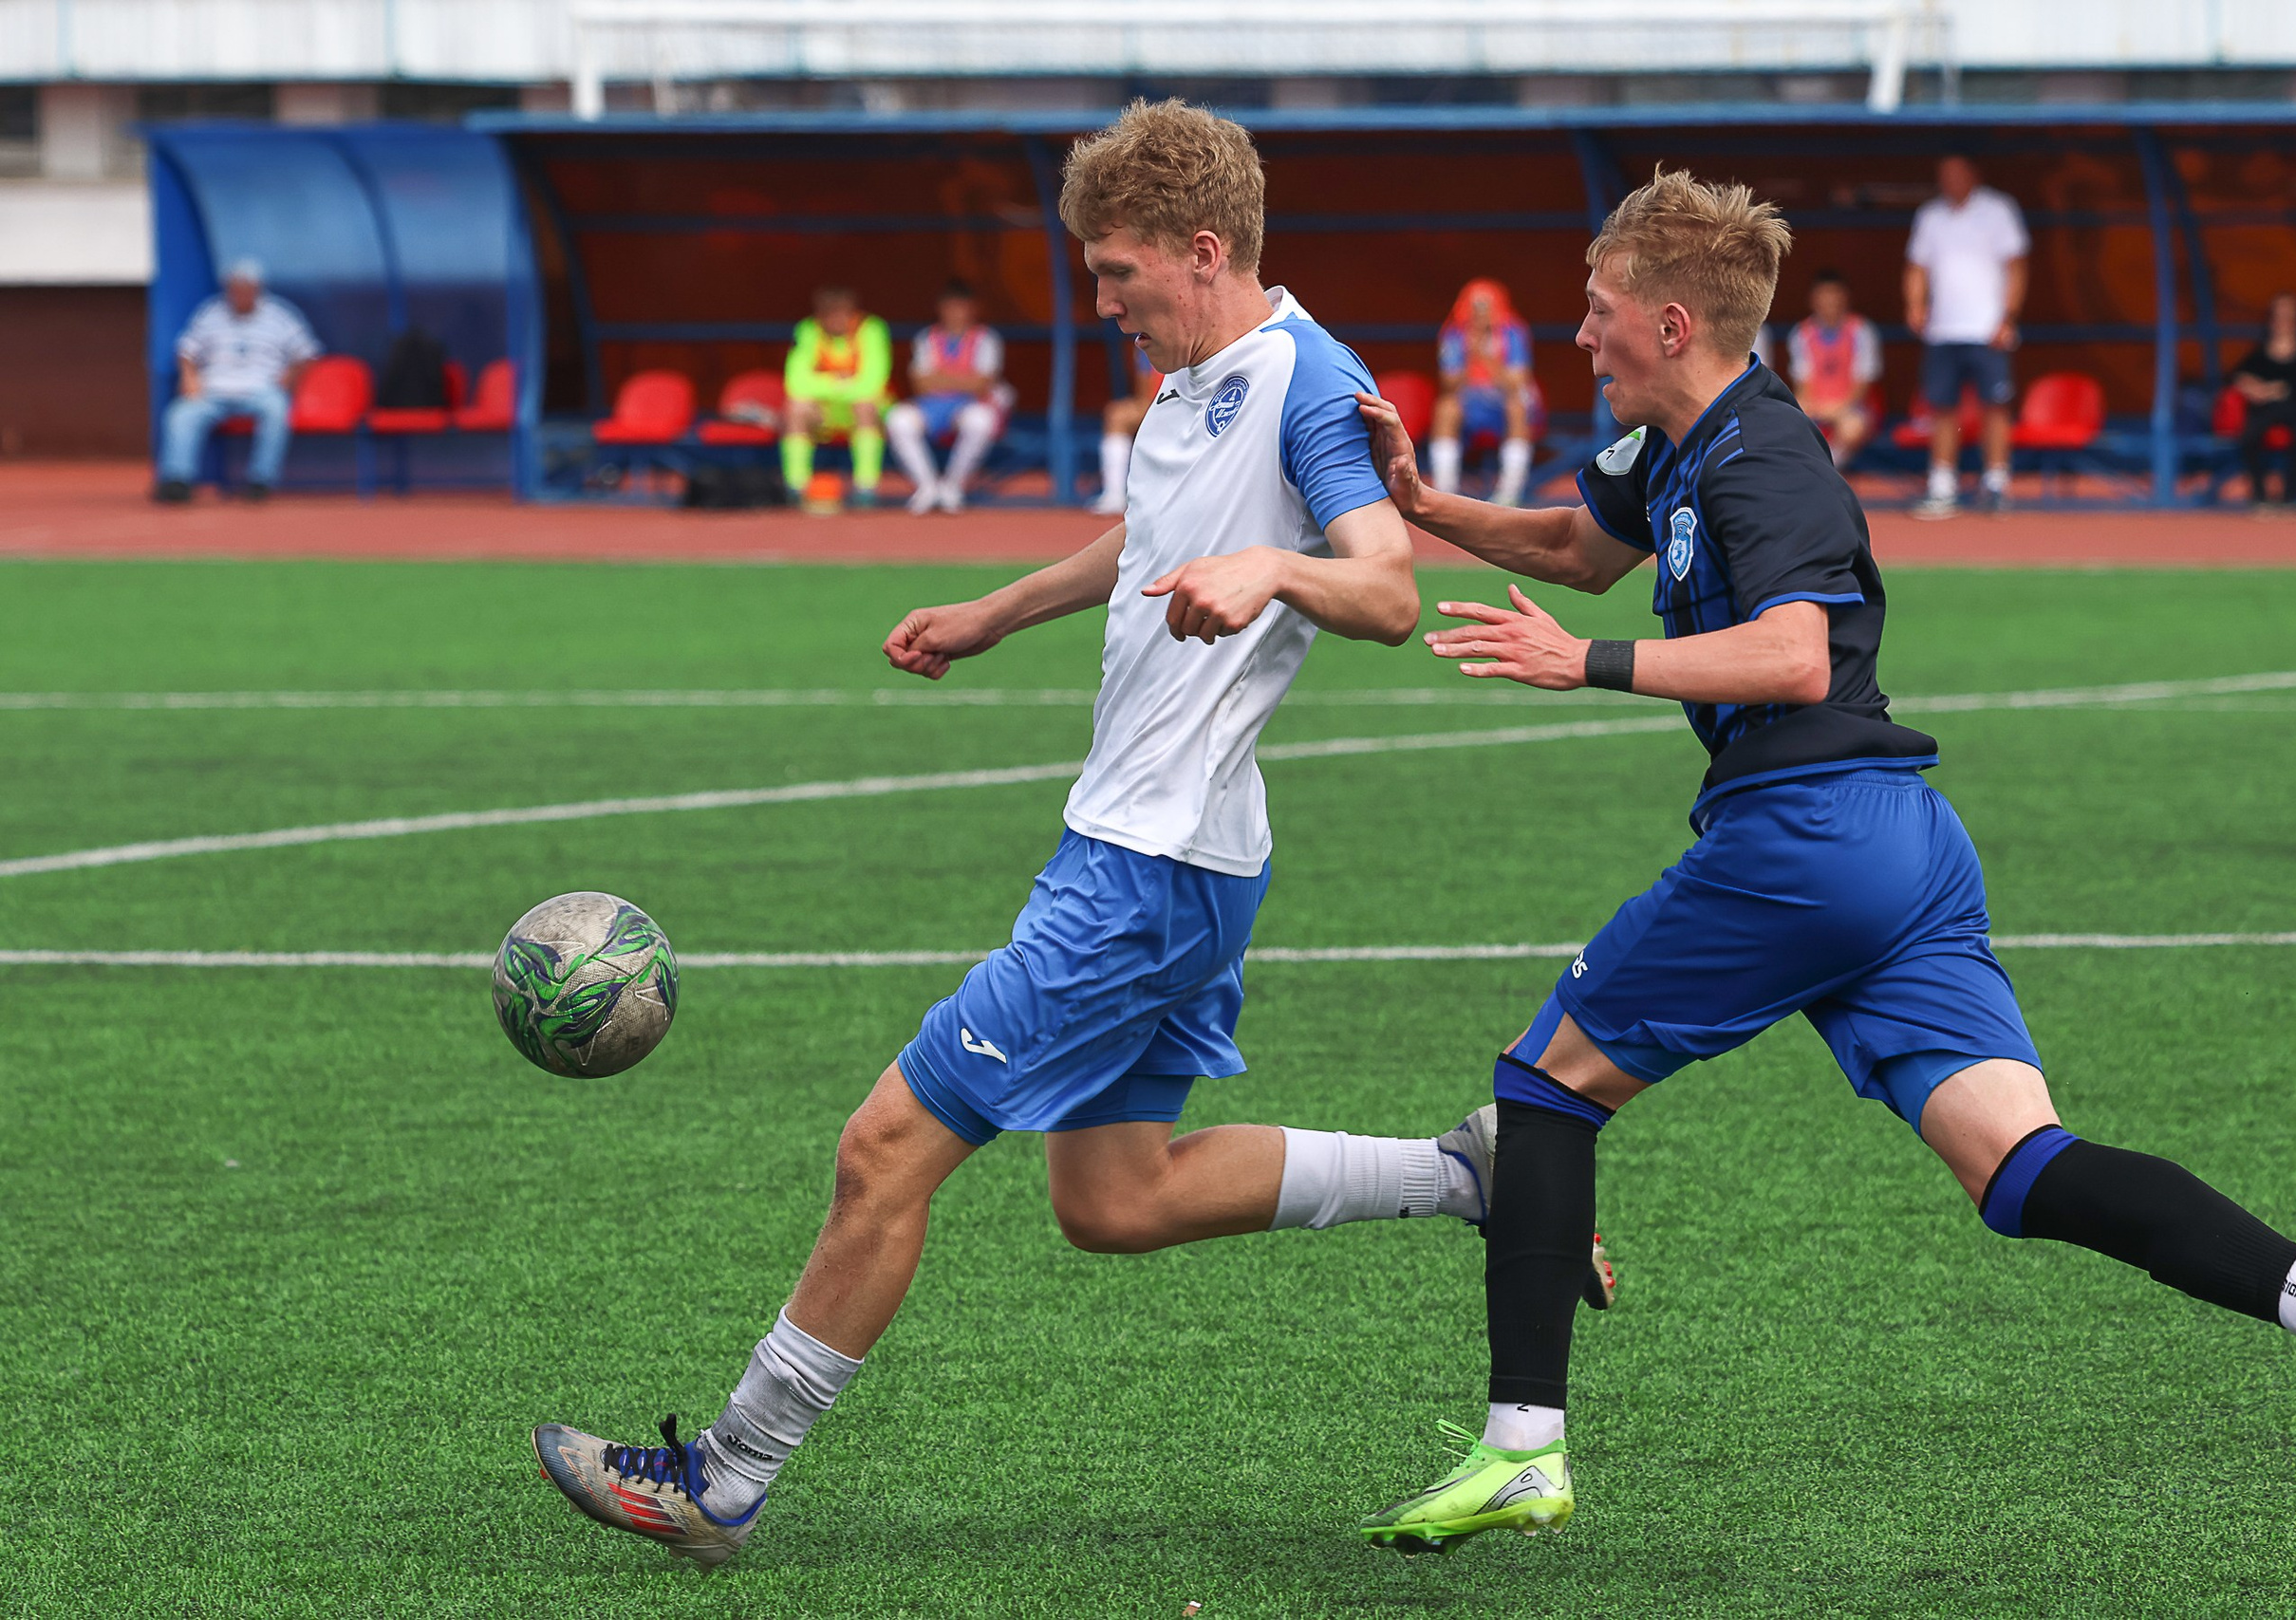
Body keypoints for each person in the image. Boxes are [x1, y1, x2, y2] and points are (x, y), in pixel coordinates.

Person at [531, 99, 1547, 1569]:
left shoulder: (1309, 384)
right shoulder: (1195, 377)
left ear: (1204, 251)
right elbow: (1147, 540)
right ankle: (1469, 1171)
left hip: (1145, 868)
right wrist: (995, 611)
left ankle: (725, 1475)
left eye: (1120, 271)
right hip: (1178, 853)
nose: (1102, 300)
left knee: (884, 1144)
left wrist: (1273, 565)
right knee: (1116, 1197)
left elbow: (1387, 587)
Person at [1349, 167, 2296, 1553]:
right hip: (1904, 849)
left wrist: (1590, 665)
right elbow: (1577, 544)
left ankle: (1522, 1449)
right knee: (2019, 1168)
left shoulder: (1764, 454)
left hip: (1809, 836)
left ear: (1674, 324)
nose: (1581, 335)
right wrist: (1425, 503)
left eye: (1599, 309)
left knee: (1542, 1087)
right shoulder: (1672, 446)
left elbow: (1795, 655)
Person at [1905, 156, 2028, 517]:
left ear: (1974, 175)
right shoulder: (1930, 216)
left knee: (1996, 407)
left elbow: (2016, 267)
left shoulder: (1998, 210)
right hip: (1943, 330)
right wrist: (1914, 304)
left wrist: (2007, 317)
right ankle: (1942, 485)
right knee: (1942, 408)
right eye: (1944, 175)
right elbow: (1917, 266)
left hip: (1988, 329)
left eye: (1957, 174)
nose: (1950, 180)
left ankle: (1996, 484)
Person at [153, 258, 321, 504]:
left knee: (277, 410)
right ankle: (177, 480)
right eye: (235, 289)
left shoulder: (280, 315)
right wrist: (189, 377)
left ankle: (260, 481)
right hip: (213, 390)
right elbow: (186, 350)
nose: (239, 295)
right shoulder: (211, 313)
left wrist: (290, 376)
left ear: (258, 289)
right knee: (181, 414)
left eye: (246, 289)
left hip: (261, 390)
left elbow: (308, 353)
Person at [883, 280, 1015, 515]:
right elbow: (920, 385)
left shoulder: (986, 339)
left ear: (973, 308)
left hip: (969, 405)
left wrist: (941, 378)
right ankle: (927, 486)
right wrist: (962, 379)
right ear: (941, 309)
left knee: (980, 421)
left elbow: (982, 384)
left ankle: (953, 486)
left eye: (961, 306)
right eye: (950, 307)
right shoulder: (927, 337)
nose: (955, 313)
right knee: (898, 419)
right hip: (932, 406)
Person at [1429, 278, 1544, 507]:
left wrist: (1487, 357)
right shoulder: (1454, 334)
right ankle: (1445, 491)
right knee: (1446, 408)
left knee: (1516, 406)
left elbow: (1516, 383)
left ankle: (1509, 492)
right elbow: (1448, 383)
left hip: (1504, 403)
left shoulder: (1513, 332)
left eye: (1486, 306)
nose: (1480, 314)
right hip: (1470, 402)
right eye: (1475, 307)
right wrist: (1470, 353)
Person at [782, 287, 891, 510]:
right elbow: (795, 382)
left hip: (865, 412)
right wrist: (840, 382)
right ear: (820, 316)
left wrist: (824, 383)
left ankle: (865, 487)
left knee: (865, 406)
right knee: (796, 409)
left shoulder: (872, 330)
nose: (837, 319)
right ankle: (796, 487)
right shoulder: (808, 330)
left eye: (842, 313)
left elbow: (872, 383)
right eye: (829, 314)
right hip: (825, 412)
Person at [2231, 293, 2296, 512]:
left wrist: (2271, 390)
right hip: (2265, 410)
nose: (2283, 323)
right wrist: (2249, 385)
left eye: (2289, 318)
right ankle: (2260, 496)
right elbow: (2236, 374)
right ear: (2271, 321)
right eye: (2279, 317)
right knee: (2249, 437)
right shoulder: (2260, 351)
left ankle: (2289, 498)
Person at [1785, 269, 1881, 468]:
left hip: (1852, 407)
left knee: (1852, 427)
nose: (1830, 301)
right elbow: (1803, 385)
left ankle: (1828, 466)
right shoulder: (1801, 334)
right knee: (1790, 420)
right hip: (1817, 404)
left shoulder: (1862, 331)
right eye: (1824, 295)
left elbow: (1862, 385)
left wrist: (1837, 408)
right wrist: (1812, 408)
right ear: (1813, 299)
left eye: (1835, 295)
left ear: (1845, 298)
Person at [1093, 344, 1162, 515]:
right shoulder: (1145, 342)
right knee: (1117, 414)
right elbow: (1144, 394)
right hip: (1158, 404)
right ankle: (1115, 494)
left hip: (1193, 407)